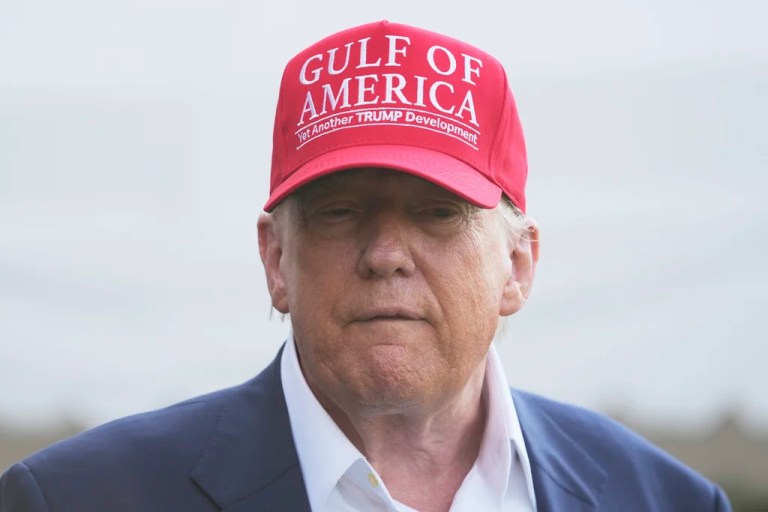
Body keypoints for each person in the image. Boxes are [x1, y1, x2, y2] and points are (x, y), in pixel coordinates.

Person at [0, 20, 731, 512]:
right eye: (340, 212)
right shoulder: (76, 497)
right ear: (276, 259)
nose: (385, 255)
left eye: (437, 213)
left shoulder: (666, 498)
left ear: (517, 264)